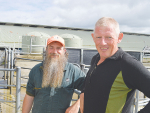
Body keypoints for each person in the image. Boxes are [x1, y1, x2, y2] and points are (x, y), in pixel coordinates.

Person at [80, 17, 150, 113]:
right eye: (98, 37)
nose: (103, 43)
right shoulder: (95, 58)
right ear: (93, 37)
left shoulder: (127, 64)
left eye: (109, 37)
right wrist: (83, 94)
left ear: (119, 37)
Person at [22, 35, 85, 113]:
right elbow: (29, 96)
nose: (54, 52)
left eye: (58, 48)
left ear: (64, 51)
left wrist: (77, 105)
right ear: (46, 49)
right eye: (51, 47)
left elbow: (89, 89)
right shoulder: (36, 70)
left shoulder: (73, 71)